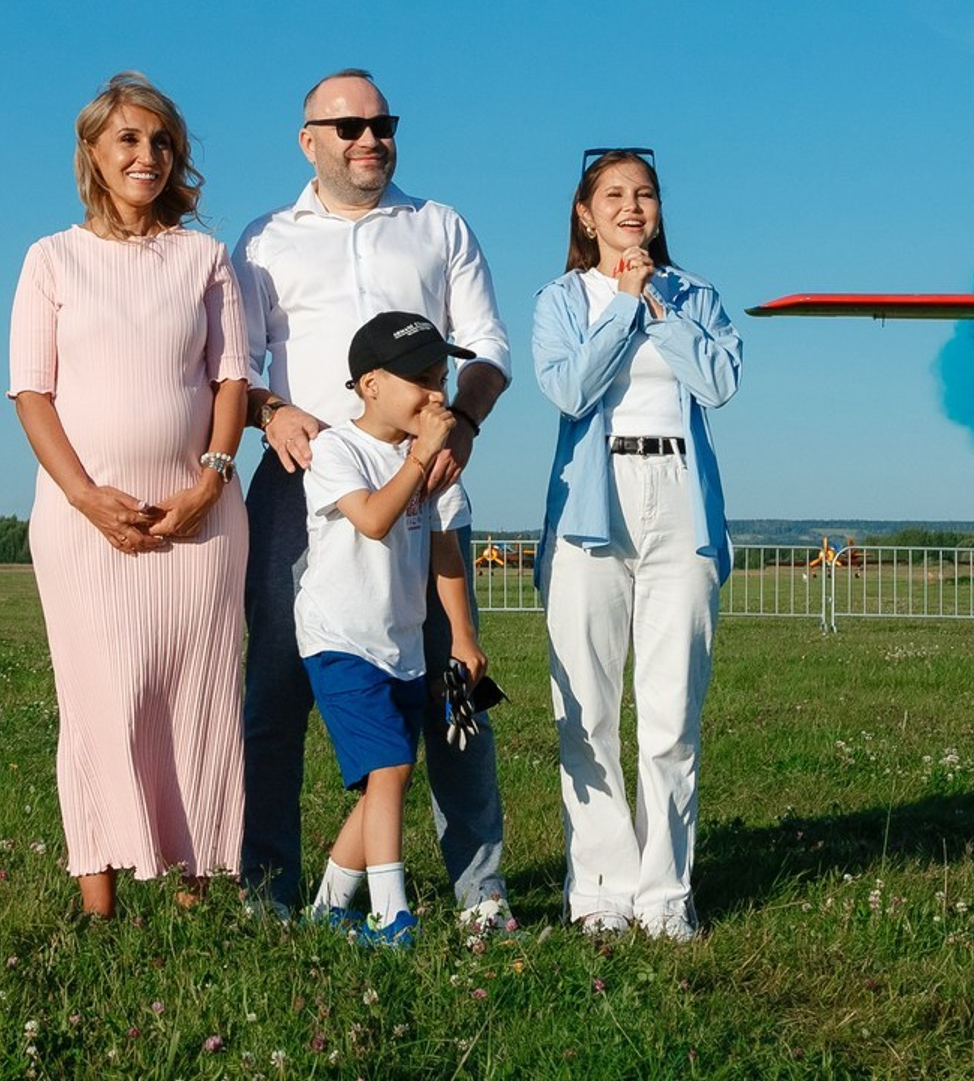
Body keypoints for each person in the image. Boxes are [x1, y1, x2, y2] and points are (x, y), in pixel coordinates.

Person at [233, 69, 513, 928]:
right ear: (307, 138)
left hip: (426, 483)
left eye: (382, 124)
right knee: (277, 691)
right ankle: (270, 890)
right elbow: (235, 371)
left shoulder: (439, 226)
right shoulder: (263, 239)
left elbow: (489, 349)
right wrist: (271, 409)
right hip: (303, 488)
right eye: (348, 126)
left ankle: (480, 893)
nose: (370, 140)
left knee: (450, 687)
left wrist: (460, 423)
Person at [7, 72, 249, 918]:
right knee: (101, 699)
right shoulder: (50, 258)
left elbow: (230, 379)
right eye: (128, 141)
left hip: (203, 522)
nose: (147, 156)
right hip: (83, 526)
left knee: (199, 695)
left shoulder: (206, 259)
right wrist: (84, 498)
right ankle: (99, 903)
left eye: (161, 142)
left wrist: (209, 484)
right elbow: (31, 393)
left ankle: (196, 890)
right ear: (93, 155)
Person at [533, 148, 742, 940]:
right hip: (592, 506)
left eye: (644, 194)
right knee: (584, 711)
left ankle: (665, 896)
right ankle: (599, 893)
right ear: (585, 215)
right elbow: (568, 388)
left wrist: (659, 304)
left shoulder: (695, 295)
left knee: (671, 712)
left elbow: (719, 382)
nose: (631, 207)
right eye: (613, 195)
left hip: (679, 502)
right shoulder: (562, 298)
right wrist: (620, 303)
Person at [297, 312, 488, 948]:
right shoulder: (336, 450)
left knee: (389, 774)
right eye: (421, 380)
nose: (437, 395)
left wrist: (461, 637)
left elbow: (445, 553)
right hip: (340, 638)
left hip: (401, 645)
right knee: (391, 768)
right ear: (370, 384)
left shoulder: (434, 464)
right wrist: (419, 460)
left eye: (442, 379)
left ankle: (328, 905)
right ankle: (390, 914)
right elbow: (376, 519)